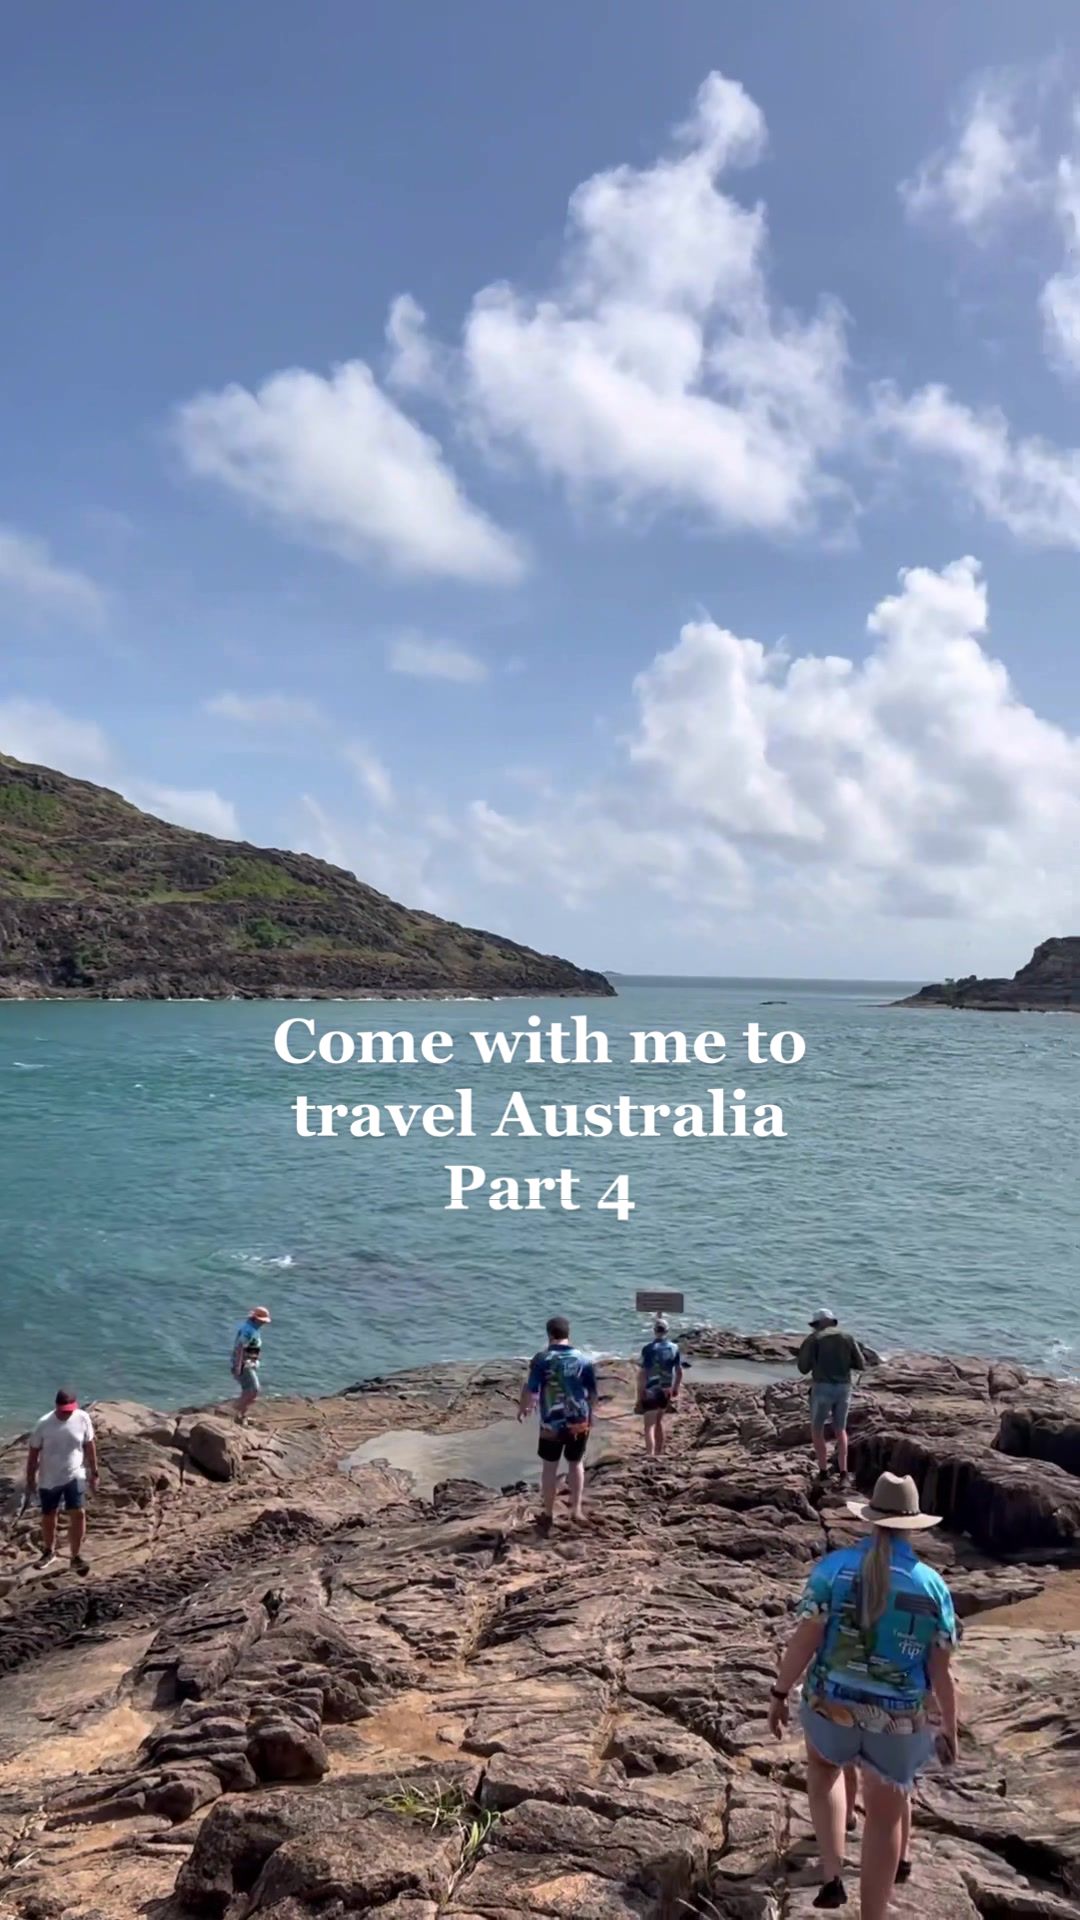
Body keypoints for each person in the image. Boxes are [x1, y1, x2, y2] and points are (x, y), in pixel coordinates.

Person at [767, 1471, 958, 1915]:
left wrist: (779, 1693)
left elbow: (806, 1640)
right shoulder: (932, 1586)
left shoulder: (834, 1569)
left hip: (830, 1703)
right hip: (900, 1720)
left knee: (824, 1769)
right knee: (885, 1817)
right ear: (913, 1525)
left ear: (870, 1519)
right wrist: (949, 1727)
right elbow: (941, 1671)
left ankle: (832, 1874)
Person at [518, 1315, 598, 1531]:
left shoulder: (542, 1359)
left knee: (549, 1468)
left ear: (549, 1334)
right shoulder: (583, 1359)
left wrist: (525, 1407)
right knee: (576, 1463)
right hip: (579, 1421)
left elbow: (532, 1390)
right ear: (568, 1334)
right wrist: (591, 1416)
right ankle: (576, 1510)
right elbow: (592, 1393)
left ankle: (548, 1513)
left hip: (551, 1423)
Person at [26, 1390, 100, 1575]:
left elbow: (89, 1444)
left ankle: (75, 1556)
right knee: (49, 1515)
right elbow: (33, 1454)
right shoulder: (44, 1424)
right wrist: (30, 1479)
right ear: (56, 1405)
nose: (66, 1413)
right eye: (63, 1409)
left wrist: (94, 1472)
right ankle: (49, 1551)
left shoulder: (82, 1418)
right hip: (49, 1478)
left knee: (78, 1513)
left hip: (75, 1474)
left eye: (70, 1409)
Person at [797, 1309, 869, 1482]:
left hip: (822, 1388)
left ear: (818, 1324)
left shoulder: (813, 1339)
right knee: (840, 1430)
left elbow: (803, 1368)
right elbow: (861, 1364)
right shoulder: (847, 1337)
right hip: (844, 1388)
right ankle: (843, 1473)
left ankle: (823, 1471)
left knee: (817, 1430)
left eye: (815, 1325)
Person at [637, 1316, 683, 1457]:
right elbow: (679, 1372)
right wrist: (675, 1388)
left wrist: (640, 1394)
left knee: (649, 1425)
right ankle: (659, 1452)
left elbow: (643, 1373)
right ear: (667, 1331)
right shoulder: (674, 1348)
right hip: (666, 1390)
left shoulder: (648, 1349)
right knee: (659, 1421)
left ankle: (650, 1454)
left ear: (654, 1331)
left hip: (651, 1390)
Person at [231, 1306, 271, 1423]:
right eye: (262, 1321)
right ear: (256, 1319)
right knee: (254, 1389)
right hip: (244, 1364)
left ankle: (241, 1415)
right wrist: (238, 1366)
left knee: (247, 1390)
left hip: (248, 1363)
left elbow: (252, 1347)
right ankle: (236, 1408)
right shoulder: (248, 1330)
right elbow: (240, 1347)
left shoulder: (253, 1329)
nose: (264, 1323)